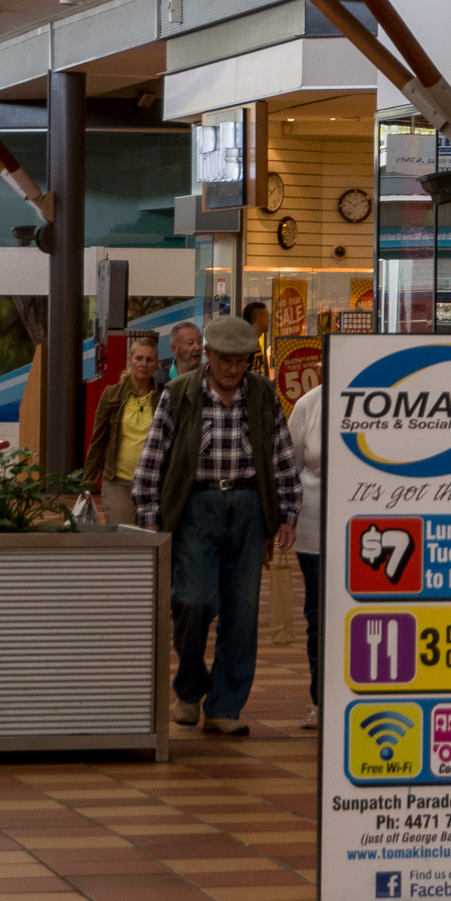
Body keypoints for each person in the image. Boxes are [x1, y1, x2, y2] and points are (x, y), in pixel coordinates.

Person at [132, 314, 299, 735]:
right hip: (195, 506)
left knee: (242, 612)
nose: (233, 369)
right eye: (226, 360)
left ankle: (225, 706)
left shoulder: (262, 394)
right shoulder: (179, 394)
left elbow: (282, 456)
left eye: (242, 361)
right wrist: (151, 520)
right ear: (208, 354)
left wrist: (287, 514)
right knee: (193, 601)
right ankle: (189, 688)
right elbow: (151, 460)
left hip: (249, 507)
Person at [84, 333, 165, 526]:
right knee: (124, 535)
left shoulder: (164, 396)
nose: (143, 364)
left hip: (154, 483)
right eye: (138, 358)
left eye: (149, 360)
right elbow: (98, 440)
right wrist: (88, 483)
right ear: (129, 360)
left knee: (152, 539)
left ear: (156, 364)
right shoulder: (112, 394)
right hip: (118, 482)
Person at [288, 373, 325, 730]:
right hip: (314, 528)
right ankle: (320, 700)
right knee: (320, 614)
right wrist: (285, 520)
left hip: (371, 530)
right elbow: (290, 466)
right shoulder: (308, 404)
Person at [242, 300, 271, 379]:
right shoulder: (249, 345)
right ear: (260, 319)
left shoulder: (250, 341)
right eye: (267, 317)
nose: (269, 320)